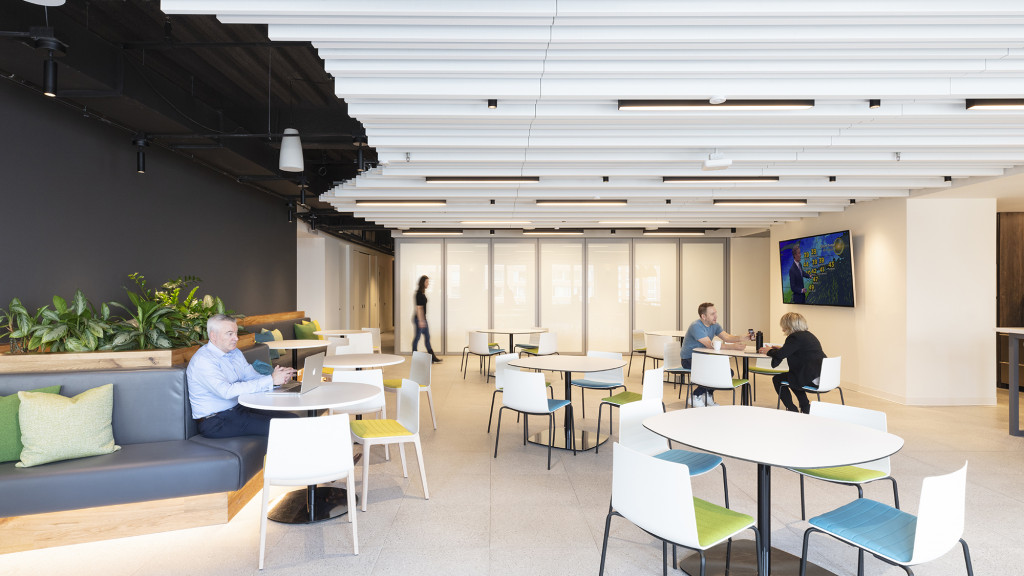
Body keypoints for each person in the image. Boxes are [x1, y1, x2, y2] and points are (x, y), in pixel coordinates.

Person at [187, 314, 296, 437]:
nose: (236, 338)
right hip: (216, 421)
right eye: (230, 334)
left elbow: (252, 376)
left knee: (293, 419)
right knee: (287, 427)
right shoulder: (203, 360)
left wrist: (277, 379)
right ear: (213, 336)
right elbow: (226, 392)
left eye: (236, 333)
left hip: (238, 409)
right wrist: (270, 380)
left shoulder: (235, 353)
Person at [680, 302, 753, 407]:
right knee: (718, 372)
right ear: (703, 316)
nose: (716, 316)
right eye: (712, 314)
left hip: (703, 359)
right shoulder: (696, 326)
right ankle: (695, 396)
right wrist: (733, 347)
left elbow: (727, 337)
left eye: (716, 312)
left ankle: (707, 394)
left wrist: (742, 337)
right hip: (689, 359)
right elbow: (710, 345)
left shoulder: (715, 325)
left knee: (728, 372)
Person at [758, 312, 825, 414]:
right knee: (793, 377)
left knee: (778, 379)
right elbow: (798, 351)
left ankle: (792, 409)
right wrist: (783, 349)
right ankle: (805, 407)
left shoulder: (795, 337)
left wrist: (769, 351)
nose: (782, 328)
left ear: (788, 325)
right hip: (822, 376)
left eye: (783, 325)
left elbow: (780, 355)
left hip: (811, 378)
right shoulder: (808, 335)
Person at [412, 275, 442, 363]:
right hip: (419, 319)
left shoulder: (422, 293)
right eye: (427, 282)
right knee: (417, 338)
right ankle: (415, 357)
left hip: (423, 318)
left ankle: (432, 357)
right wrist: (421, 321)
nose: (428, 284)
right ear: (423, 282)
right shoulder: (418, 293)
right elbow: (419, 308)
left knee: (427, 337)